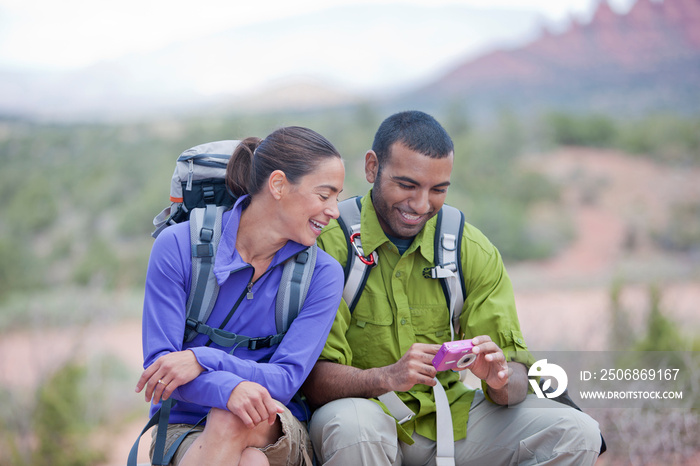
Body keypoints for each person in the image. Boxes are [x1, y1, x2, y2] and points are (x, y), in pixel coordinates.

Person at [302, 111, 602, 465]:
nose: (421, 204)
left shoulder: (469, 248)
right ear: (372, 168)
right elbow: (310, 380)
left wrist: (499, 378)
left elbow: (518, 376)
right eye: (407, 185)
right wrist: (385, 377)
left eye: (438, 190)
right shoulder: (327, 244)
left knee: (578, 433)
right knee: (352, 426)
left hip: (449, 422)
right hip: (365, 425)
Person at [134, 126, 346, 466]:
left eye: (337, 197)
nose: (335, 210)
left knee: (233, 417)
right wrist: (228, 390)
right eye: (324, 196)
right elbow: (161, 372)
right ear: (278, 185)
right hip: (182, 423)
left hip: (275, 421)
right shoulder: (177, 246)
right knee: (251, 462)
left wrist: (204, 359)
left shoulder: (322, 274)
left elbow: (286, 380)